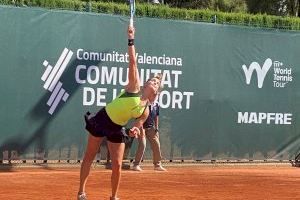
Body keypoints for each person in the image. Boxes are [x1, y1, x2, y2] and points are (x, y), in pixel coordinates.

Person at [77, 25, 162, 200]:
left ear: (155, 92)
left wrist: (134, 131)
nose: (152, 81)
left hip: (117, 127)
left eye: (155, 83)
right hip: (102, 119)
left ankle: (114, 197)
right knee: (90, 156)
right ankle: (81, 192)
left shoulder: (145, 111)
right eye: (151, 80)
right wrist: (131, 38)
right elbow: (133, 62)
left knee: (117, 164)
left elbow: (136, 128)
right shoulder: (134, 87)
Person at [132, 99, 166, 171]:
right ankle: (136, 165)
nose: (156, 95)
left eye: (157, 94)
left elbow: (156, 116)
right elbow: (138, 116)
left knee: (156, 144)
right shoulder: (143, 103)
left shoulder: (156, 104)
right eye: (154, 93)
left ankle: (157, 165)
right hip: (141, 126)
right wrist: (139, 127)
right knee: (143, 144)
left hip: (151, 127)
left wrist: (156, 128)